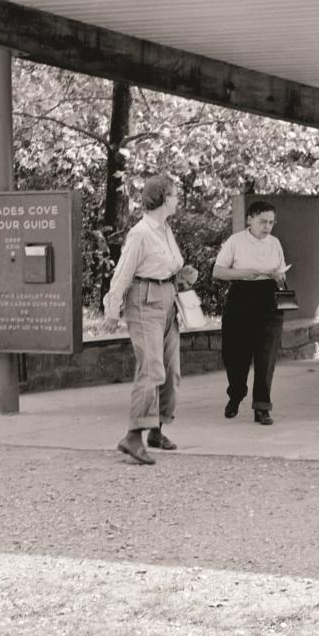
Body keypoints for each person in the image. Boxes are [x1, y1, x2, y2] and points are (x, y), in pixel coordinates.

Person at [103, 174, 197, 465]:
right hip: (144, 302)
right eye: (174, 195)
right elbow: (123, 273)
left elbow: (165, 265)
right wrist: (112, 309)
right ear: (163, 198)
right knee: (152, 370)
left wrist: (181, 275)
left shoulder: (165, 229)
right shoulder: (141, 233)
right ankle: (132, 436)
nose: (177, 200)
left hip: (168, 299)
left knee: (171, 371)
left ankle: (156, 429)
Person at [213, 200, 290, 425]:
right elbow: (218, 272)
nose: (267, 227)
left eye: (271, 223)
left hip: (269, 298)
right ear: (249, 219)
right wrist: (245, 272)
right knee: (235, 355)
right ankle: (236, 394)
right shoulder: (235, 241)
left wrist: (279, 276)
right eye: (263, 221)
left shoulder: (275, 243)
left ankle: (262, 407)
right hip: (242, 296)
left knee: (266, 356)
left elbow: (282, 273)